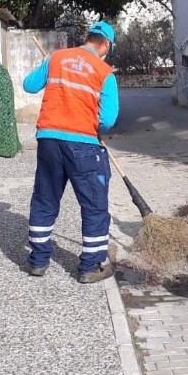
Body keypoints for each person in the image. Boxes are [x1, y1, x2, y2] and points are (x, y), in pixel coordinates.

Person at [22, 21, 119, 283]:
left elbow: (29, 85)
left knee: (45, 198)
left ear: (88, 38)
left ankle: (38, 261)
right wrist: (90, 122)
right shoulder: (105, 71)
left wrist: (51, 68)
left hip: (48, 140)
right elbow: (108, 119)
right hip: (83, 145)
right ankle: (90, 266)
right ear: (106, 44)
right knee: (94, 204)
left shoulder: (56, 58)